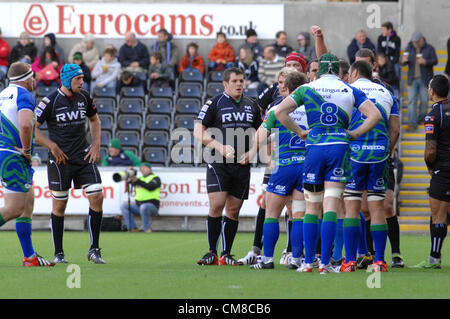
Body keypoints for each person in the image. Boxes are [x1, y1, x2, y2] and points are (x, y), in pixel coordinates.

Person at [274, 53, 381, 274]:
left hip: (314, 149)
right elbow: (375, 115)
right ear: (339, 71)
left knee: (312, 206)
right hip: (339, 148)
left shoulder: (308, 88)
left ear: (320, 70)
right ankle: (326, 263)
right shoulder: (349, 89)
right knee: (331, 207)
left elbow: (280, 112)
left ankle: (307, 262)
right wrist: (353, 133)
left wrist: (300, 131)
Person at [34, 63, 105, 264]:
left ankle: (94, 250)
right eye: (78, 79)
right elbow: (34, 130)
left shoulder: (85, 97)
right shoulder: (50, 101)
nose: (82, 82)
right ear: (66, 80)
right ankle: (59, 253)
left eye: (82, 78)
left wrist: (96, 144)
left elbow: (95, 120)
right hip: (60, 160)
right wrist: (52, 146)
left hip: (83, 156)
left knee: (97, 196)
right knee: (60, 205)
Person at [194, 67, 262, 266]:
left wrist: (252, 153)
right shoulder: (214, 102)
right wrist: (220, 147)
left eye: (242, 80)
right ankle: (211, 252)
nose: (239, 84)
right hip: (218, 162)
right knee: (217, 204)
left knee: (233, 210)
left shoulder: (252, 104)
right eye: (235, 81)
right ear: (225, 84)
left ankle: (226, 254)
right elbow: (198, 131)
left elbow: (262, 132)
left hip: (242, 164)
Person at [341, 60, 400, 273]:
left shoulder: (349, 91)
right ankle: (380, 261)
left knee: (352, 207)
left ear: (355, 72)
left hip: (355, 154)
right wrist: (389, 150)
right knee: (377, 208)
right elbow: (395, 129)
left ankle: (349, 261)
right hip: (379, 153)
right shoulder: (387, 92)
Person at [249, 70, 309, 270]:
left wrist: (250, 153)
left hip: (284, 165)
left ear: (289, 89)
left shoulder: (277, 108)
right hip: (306, 165)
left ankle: (267, 259)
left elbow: (262, 133)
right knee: (299, 215)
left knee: (271, 213)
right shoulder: (312, 107)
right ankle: (297, 259)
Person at [0, 62, 55, 267]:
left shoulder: (4, 94)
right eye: (33, 77)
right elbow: (25, 124)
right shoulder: (24, 95)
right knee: (14, 208)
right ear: (26, 78)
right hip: (14, 154)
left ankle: (30, 257)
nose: (35, 81)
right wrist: (27, 150)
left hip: (4, 152)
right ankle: (29, 257)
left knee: (27, 202)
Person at [410, 75, 450, 269]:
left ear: (432, 92)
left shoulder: (434, 115)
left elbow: (431, 149)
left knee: (438, 215)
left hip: (443, 170)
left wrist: (429, 166)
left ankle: (434, 258)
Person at [401, 31, 438, 130]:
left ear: (421, 39)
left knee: (424, 101)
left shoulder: (429, 48)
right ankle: (412, 123)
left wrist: (425, 61)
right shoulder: (409, 48)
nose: (415, 43)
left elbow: (435, 60)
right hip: (412, 79)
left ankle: (421, 119)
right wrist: (403, 61)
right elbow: (403, 61)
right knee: (412, 101)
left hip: (425, 79)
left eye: (416, 41)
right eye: (413, 41)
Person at [120, 163, 161, 232]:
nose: (142, 169)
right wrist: (127, 172)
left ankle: (146, 228)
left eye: (145, 168)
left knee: (144, 207)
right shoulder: (140, 178)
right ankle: (132, 228)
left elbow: (150, 187)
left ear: (149, 169)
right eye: (141, 168)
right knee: (124, 206)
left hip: (152, 206)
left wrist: (137, 181)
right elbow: (128, 182)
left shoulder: (155, 178)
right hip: (139, 206)